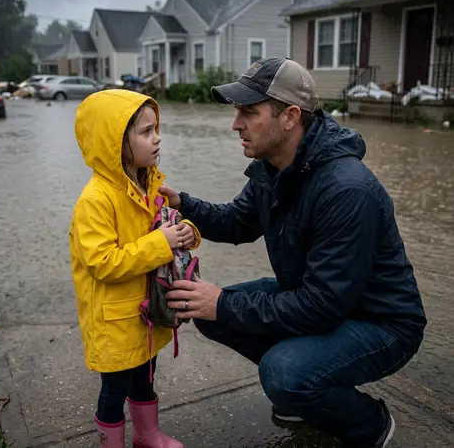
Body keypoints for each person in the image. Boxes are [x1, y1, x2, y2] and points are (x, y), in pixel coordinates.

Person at [162, 58, 427, 447]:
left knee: (283, 372)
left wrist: (222, 303)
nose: (236, 124)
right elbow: (238, 222)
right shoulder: (274, 167)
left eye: (249, 112)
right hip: (319, 297)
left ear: (289, 116)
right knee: (210, 314)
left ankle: (369, 425)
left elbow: (322, 307)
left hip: (382, 323)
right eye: (237, 111)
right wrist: (182, 203)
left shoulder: (346, 190)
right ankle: (311, 390)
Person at [69, 89, 200, 448]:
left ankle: (147, 434)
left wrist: (187, 232)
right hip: (113, 321)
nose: (157, 138)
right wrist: (162, 243)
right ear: (116, 142)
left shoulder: (150, 185)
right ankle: (112, 442)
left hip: (144, 314)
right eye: (145, 132)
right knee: (114, 392)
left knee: (146, 377)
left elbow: (166, 225)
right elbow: (102, 263)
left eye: (156, 128)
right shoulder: (95, 201)